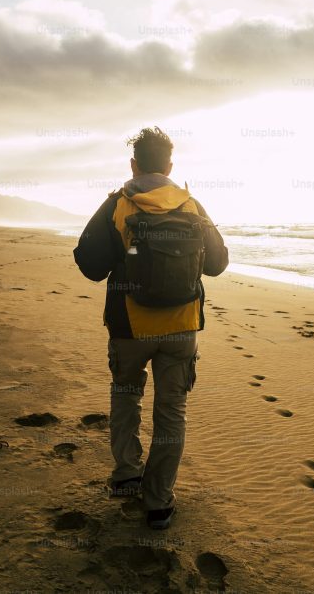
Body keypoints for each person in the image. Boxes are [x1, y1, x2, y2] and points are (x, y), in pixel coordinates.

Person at [73, 126, 229, 530]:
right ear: (170, 166)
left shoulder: (118, 204)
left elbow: (90, 264)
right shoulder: (191, 204)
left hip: (128, 326)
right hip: (181, 327)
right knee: (171, 412)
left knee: (126, 398)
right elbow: (217, 263)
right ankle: (158, 502)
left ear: (133, 164)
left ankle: (127, 475)